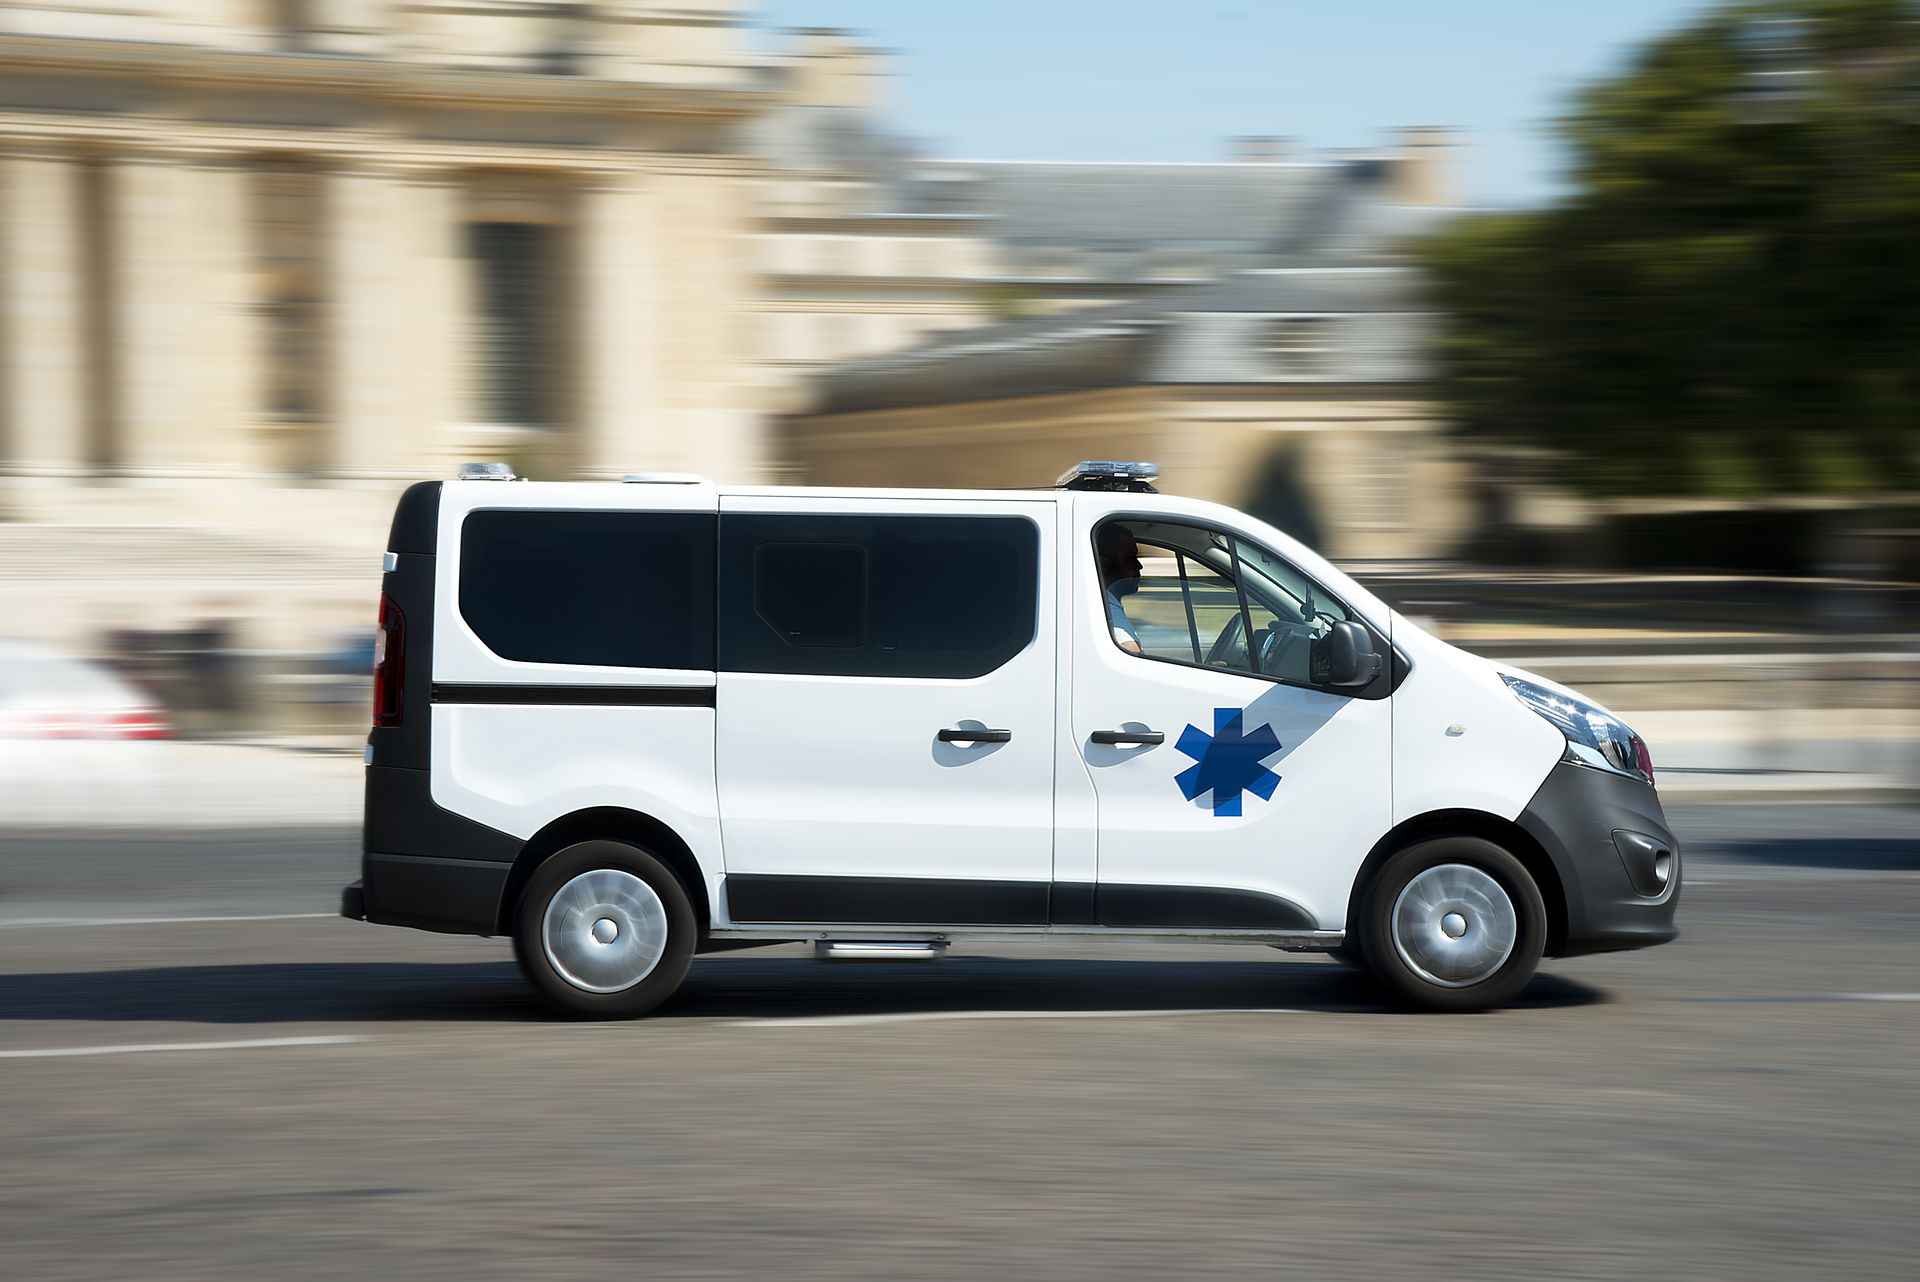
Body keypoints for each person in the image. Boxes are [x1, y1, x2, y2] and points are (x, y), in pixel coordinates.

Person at [1096, 523, 1145, 655]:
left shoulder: (1105, 601)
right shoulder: (1104, 603)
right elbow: (1131, 652)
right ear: (1103, 564)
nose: (1139, 566)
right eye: (1130, 558)